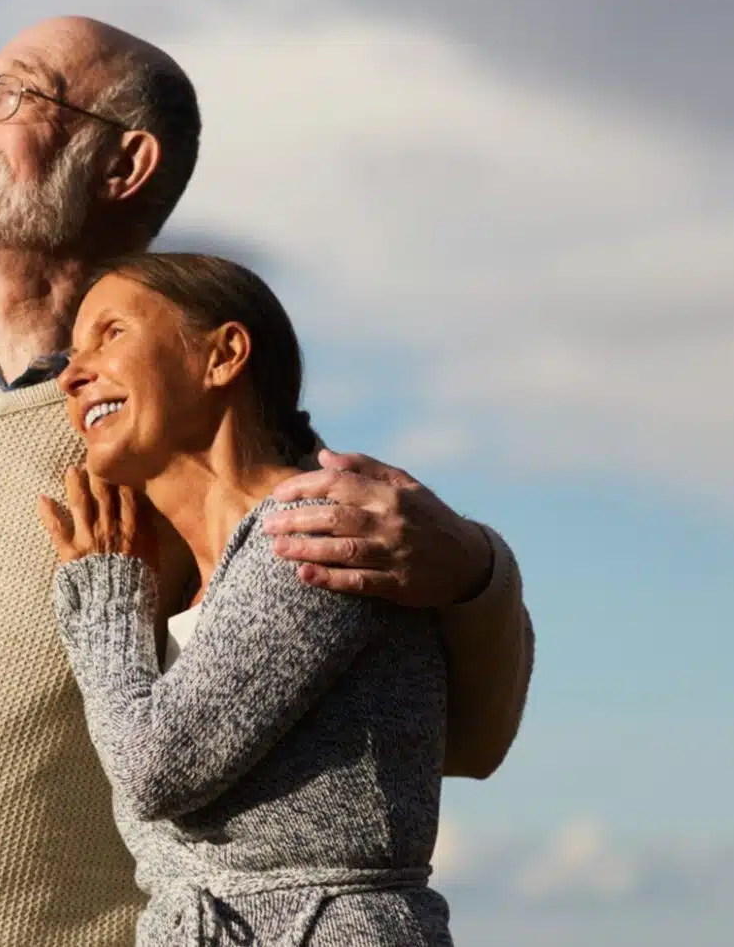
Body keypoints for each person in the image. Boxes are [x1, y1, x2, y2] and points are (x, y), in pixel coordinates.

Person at [0, 17, 533, 947]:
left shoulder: (178, 439)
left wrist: (474, 571)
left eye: (13, 94)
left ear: (124, 164)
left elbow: (454, 740)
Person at [40, 253, 455, 946]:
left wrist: (106, 592)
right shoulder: (191, 580)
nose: (71, 373)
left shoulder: (314, 529)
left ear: (225, 355)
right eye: (72, 350)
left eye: (110, 334)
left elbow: (155, 768)